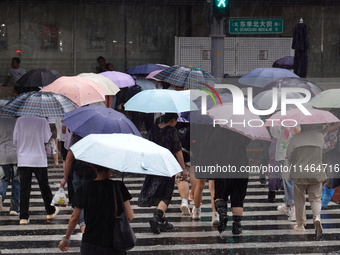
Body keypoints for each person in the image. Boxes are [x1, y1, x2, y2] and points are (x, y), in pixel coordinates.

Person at [58, 164, 134, 254]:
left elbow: (74, 217)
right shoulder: (118, 186)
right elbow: (130, 216)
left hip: (90, 243)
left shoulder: (85, 187)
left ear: (93, 167)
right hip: (113, 243)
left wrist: (66, 239)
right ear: (111, 169)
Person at [138, 113, 187, 234]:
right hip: (167, 165)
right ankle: (156, 217)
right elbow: (177, 151)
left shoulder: (153, 129)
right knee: (165, 195)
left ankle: (163, 221)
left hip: (153, 165)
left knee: (158, 193)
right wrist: (183, 168)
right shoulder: (172, 130)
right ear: (172, 120)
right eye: (176, 120)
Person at [13, 116, 59, 224]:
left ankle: (23, 217)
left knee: (24, 187)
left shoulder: (20, 120)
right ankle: (50, 210)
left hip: (23, 158)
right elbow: (46, 139)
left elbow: (15, 140)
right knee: (44, 186)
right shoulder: (42, 120)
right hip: (39, 159)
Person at [287, 124, 326, 235]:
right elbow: (323, 151)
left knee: (300, 199)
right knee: (316, 198)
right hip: (316, 171)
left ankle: (300, 224)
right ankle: (317, 217)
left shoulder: (296, 138)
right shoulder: (320, 136)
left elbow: (288, 154)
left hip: (299, 172)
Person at [0, 117, 20, 216]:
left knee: (4, 179)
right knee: (16, 180)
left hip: (3, 154)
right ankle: (14, 208)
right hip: (16, 154)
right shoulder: (18, 121)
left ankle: (0, 195)